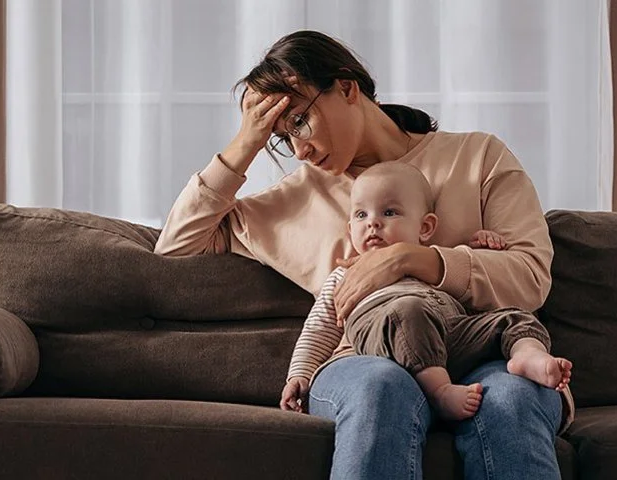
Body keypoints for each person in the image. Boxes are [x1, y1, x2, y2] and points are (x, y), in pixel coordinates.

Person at [157, 30, 574, 479]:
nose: (298, 149)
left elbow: (530, 277)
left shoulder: (477, 157)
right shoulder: (290, 203)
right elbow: (176, 246)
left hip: (483, 350)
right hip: (365, 360)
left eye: (299, 120)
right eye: (281, 137)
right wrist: (246, 143)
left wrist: (411, 259)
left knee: (510, 399)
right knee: (381, 389)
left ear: (347, 88)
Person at [278, 162, 572, 422]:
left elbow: (476, 285)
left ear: (426, 227)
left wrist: (484, 246)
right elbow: (319, 328)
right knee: (408, 310)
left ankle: (526, 356)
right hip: (387, 336)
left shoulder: (437, 259)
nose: (373, 223)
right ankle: (439, 392)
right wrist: (300, 374)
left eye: (389, 212)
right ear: (349, 228)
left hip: (447, 336)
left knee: (514, 318)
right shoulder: (345, 274)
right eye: (360, 215)